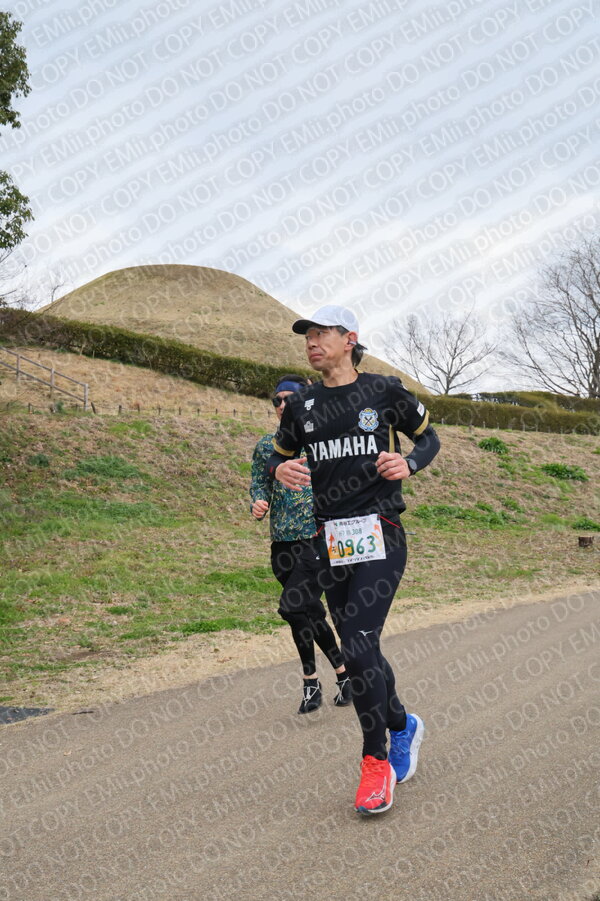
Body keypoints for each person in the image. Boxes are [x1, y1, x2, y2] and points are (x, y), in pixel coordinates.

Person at [266, 307, 441, 815]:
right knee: (360, 648)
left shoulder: (384, 390)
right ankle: (403, 723)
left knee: (359, 644)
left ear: (350, 340)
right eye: (307, 335)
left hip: (380, 531)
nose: (311, 342)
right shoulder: (302, 405)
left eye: (322, 334)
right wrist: (279, 471)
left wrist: (408, 462)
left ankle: (375, 761)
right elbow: (278, 454)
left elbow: (429, 438)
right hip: (331, 538)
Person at [250, 374, 351, 714]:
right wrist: (258, 501)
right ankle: (343, 676)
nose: (281, 405)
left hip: (316, 539)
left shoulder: (321, 439)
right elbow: (259, 483)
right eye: (276, 400)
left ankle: (310, 682)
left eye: (288, 399)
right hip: (281, 542)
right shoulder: (266, 446)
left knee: (292, 607)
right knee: (307, 613)